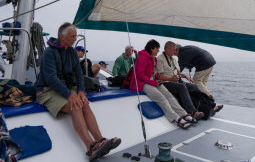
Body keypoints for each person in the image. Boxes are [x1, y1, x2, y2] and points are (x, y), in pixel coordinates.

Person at [36, 22, 121, 161]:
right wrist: (70, 95)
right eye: (72, 36)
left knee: (84, 103)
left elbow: (79, 74)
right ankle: (90, 147)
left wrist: (81, 91)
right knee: (76, 106)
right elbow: (51, 79)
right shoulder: (49, 53)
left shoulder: (71, 52)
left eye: (75, 36)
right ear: (61, 37)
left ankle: (100, 141)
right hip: (48, 90)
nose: (75, 39)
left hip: (67, 88)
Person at [129, 39, 195, 129]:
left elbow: (154, 72)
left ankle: (183, 113)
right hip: (141, 83)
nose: (158, 51)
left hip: (151, 80)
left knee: (169, 95)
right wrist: (152, 82)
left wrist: (158, 78)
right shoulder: (143, 57)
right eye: (157, 48)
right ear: (152, 49)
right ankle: (175, 117)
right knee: (161, 98)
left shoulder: (153, 59)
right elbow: (139, 74)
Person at [156, 41, 204, 120]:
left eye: (174, 50)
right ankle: (192, 112)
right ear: (166, 49)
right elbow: (158, 75)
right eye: (172, 50)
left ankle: (201, 107)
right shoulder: (160, 59)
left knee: (194, 86)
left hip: (176, 81)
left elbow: (177, 71)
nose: (174, 52)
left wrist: (185, 76)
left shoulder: (173, 59)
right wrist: (170, 79)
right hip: (166, 83)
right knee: (182, 87)